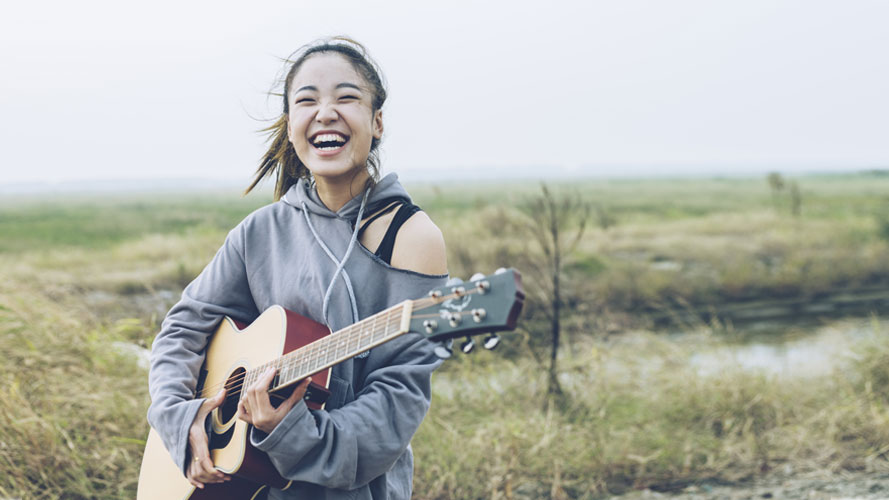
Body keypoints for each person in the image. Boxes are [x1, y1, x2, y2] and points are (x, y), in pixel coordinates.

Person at [147, 37, 448, 500]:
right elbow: (184, 326)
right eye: (307, 101)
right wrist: (179, 417)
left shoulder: (411, 238)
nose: (325, 112)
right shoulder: (260, 231)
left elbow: (395, 405)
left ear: (378, 121)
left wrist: (293, 433)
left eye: (346, 97)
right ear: (291, 127)